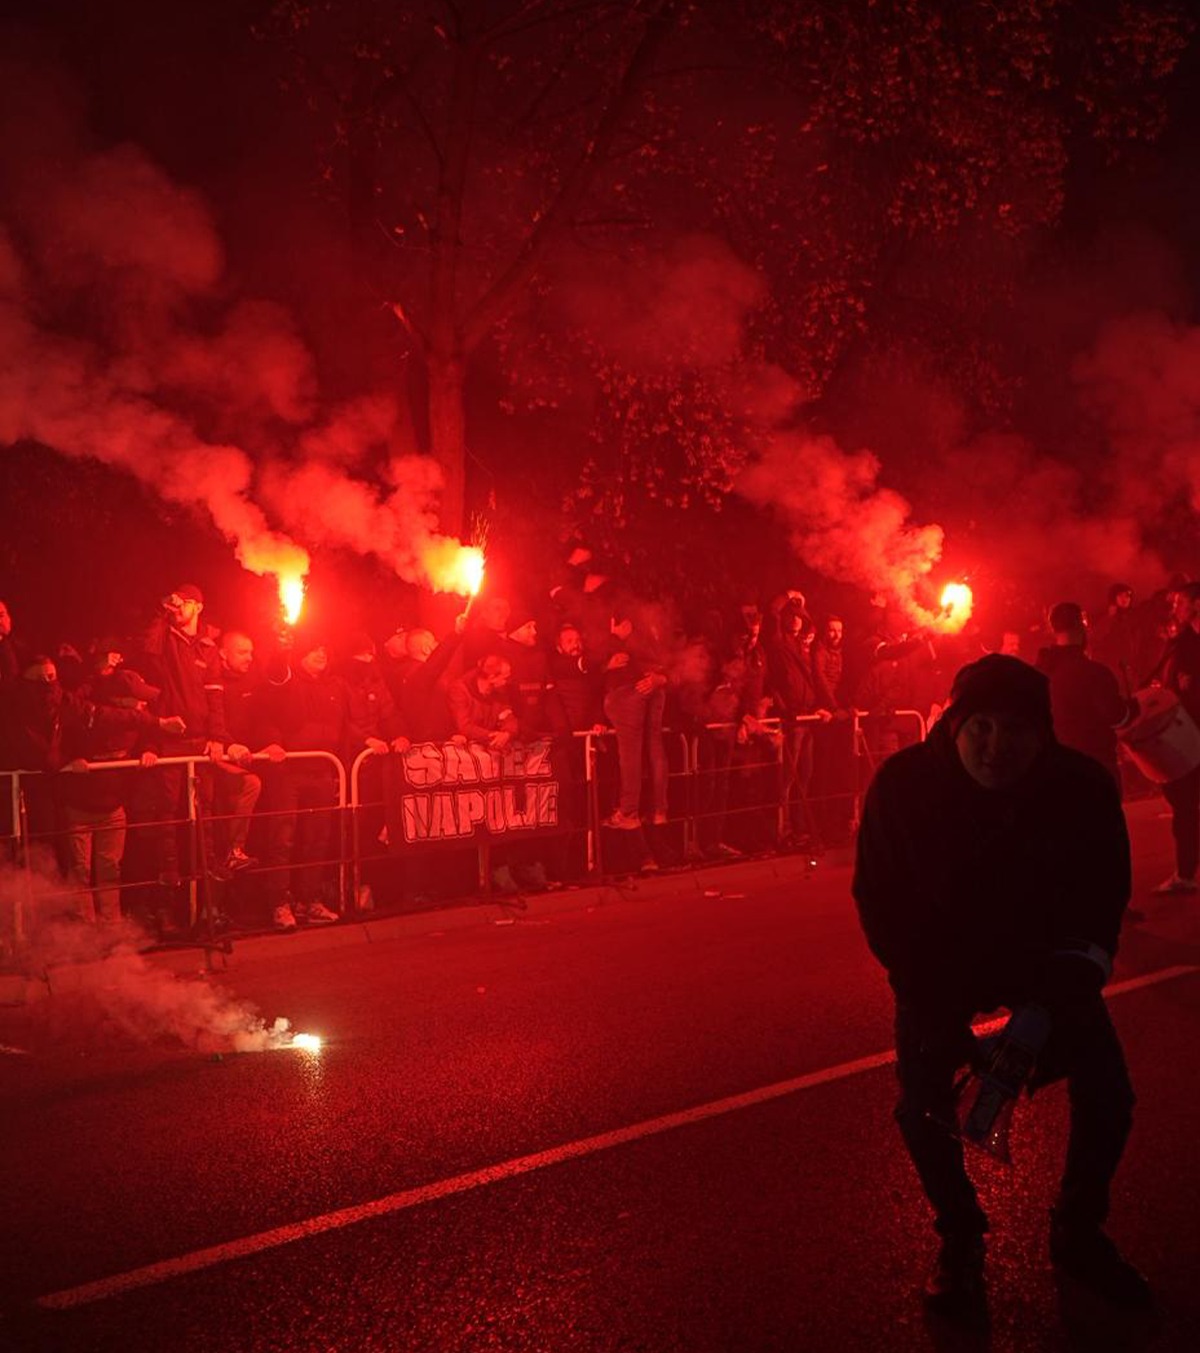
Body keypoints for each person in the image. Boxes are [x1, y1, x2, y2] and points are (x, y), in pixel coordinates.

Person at [852, 654, 1148, 1326]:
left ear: (1042, 734)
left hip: (1044, 959)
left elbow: (1102, 896)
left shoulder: (1081, 788)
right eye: (979, 726)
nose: (995, 745)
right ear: (953, 724)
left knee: (1109, 1090)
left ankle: (1078, 1229)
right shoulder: (902, 787)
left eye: (1014, 729)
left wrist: (1062, 993)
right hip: (939, 961)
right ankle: (960, 1236)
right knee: (923, 1104)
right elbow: (881, 899)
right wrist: (930, 1005)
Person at [1035, 602, 1130, 787]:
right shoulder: (1094, 673)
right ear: (1082, 623)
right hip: (1095, 766)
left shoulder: (1038, 672)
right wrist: (1132, 708)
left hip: (1054, 769)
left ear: (1052, 628)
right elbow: (1117, 716)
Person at [1150, 581, 1200, 895]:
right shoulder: (1182, 641)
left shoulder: (1188, 644)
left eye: (1183, 602)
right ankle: (1185, 871)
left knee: (1184, 805)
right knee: (1183, 803)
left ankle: (1185, 874)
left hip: (1191, 732)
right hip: (1186, 731)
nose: (1177, 607)